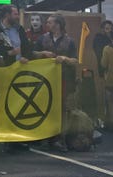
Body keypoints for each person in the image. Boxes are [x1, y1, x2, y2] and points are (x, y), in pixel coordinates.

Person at [34, 13, 78, 152]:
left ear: (58, 24)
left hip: (63, 79)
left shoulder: (69, 41)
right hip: (45, 79)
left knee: (61, 109)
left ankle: (59, 138)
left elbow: (75, 61)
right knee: (44, 107)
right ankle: (44, 136)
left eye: (50, 22)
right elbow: (32, 53)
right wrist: (43, 53)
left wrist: (64, 58)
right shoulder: (43, 38)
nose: (47, 25)